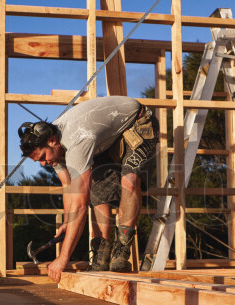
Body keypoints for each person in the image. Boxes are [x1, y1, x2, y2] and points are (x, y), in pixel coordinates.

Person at [19, 95, 157, 282]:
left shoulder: (76, 142)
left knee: (129, 179)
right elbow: (68, 186)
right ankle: (102, 251)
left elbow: (80, 206)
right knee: (97, 191)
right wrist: (67, 221)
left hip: (137, 122)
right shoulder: (55, 148)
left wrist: (63, 259)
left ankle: (122, 250)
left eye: (43, 157)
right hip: (105, 139)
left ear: (52, 141)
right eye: (38, 161)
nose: (43, 164)